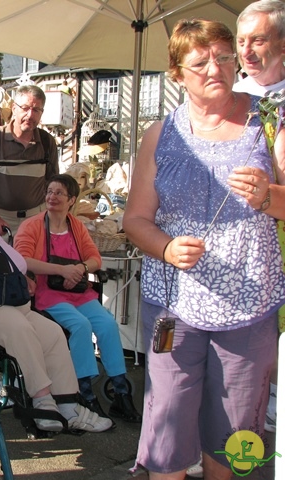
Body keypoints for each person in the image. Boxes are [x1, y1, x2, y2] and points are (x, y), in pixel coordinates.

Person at [122, 19, 285, 479]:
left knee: (233, 440)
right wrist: (168, 247)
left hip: (248, 310)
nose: (216, 67)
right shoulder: (160, 134)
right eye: (200, 62)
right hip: (175, 309)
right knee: (166, 431)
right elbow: (134, 221)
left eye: (225, 57)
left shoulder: (270, 121)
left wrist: (267, 196)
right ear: (177, 74)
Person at [0, 179, 113, 433]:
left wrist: (21, 276)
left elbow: (15, 260)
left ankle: (69, 406)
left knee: (53, 334)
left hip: (10, 302)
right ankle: (42, 399)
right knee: (18, 328)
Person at [14, 174, 141, 423]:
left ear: (72, 200)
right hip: (47, 293)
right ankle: (84, 392)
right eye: (50, 192)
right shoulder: (32, 226)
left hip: (78, 291)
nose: (52, 197)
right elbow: (22, 260)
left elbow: (95, 258)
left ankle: (121, 391)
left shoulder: (76, 226)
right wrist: (62, 270)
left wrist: (80, 269)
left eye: (59, 193)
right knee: (80, 326)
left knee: (107, 324)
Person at [234, 0, 285, 437]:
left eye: (259, 40)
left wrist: (268, 197)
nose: (247, 51)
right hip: (237, 254)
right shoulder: (229, 98)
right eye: (241, 41)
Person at [0, 84, 58, 235]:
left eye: (36, 110)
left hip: (37, 219)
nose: (30, 115)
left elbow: (54, 184)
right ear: (14, 108)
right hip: (1, 221)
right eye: (25, 108)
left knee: (33, 259)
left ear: (41, 113)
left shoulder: (47, 141)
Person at [234, 0, 285, 96]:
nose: (245, 52)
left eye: (258, 41)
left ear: (283, 46)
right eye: (241, 42)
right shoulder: (233, 98)